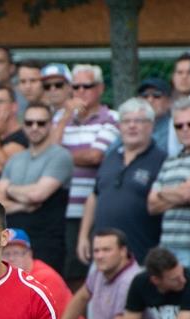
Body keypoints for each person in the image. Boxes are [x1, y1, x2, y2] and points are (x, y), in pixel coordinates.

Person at [77, 98, 166, 268]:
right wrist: (83, 236)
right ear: (119, 126)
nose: (132, 126)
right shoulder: (110, 158)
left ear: (151, 125)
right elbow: (94, 196)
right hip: (102, 254)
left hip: (141, 255)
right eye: (126, 121)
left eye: (138, 121)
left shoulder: (161, 160)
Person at [0, 102, 73, 272]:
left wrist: (9, 189)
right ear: (23, 125)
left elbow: (37, 195)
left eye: (41, 123)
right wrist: (22, 205)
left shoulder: (60, 155)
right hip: (12, 245)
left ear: (51, 125)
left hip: (46, 244)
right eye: (29, 123)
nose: (34, 127)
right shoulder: (15, 159)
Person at [57, 64, 118, 284]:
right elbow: (49, 154)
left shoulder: (111, 118)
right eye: (76, 86)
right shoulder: (60, 121)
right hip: (59, 207)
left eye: (87, 86)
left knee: (84, 272)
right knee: (61, 271)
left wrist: (61, 157)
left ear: (100, 88)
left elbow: (95, 156)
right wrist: (64, 118)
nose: (80, 91)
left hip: (90, 208)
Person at [149, 99, 190, 269]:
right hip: (166, 246)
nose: (185, 129)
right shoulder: (170, 160)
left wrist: (163, 192)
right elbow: (151, 204)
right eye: (179, 126)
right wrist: (181, 192)